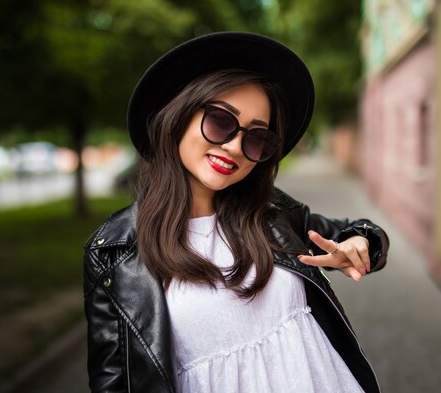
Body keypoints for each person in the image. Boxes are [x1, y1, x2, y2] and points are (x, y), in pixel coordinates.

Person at [83, 32, 389, 393]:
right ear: (179, 115)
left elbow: (364, 233)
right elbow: (114, 382)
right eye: (220, 121)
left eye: (257, 137)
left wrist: (361, 241)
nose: (234, 147)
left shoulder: (271, 214)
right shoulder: (113, 253)